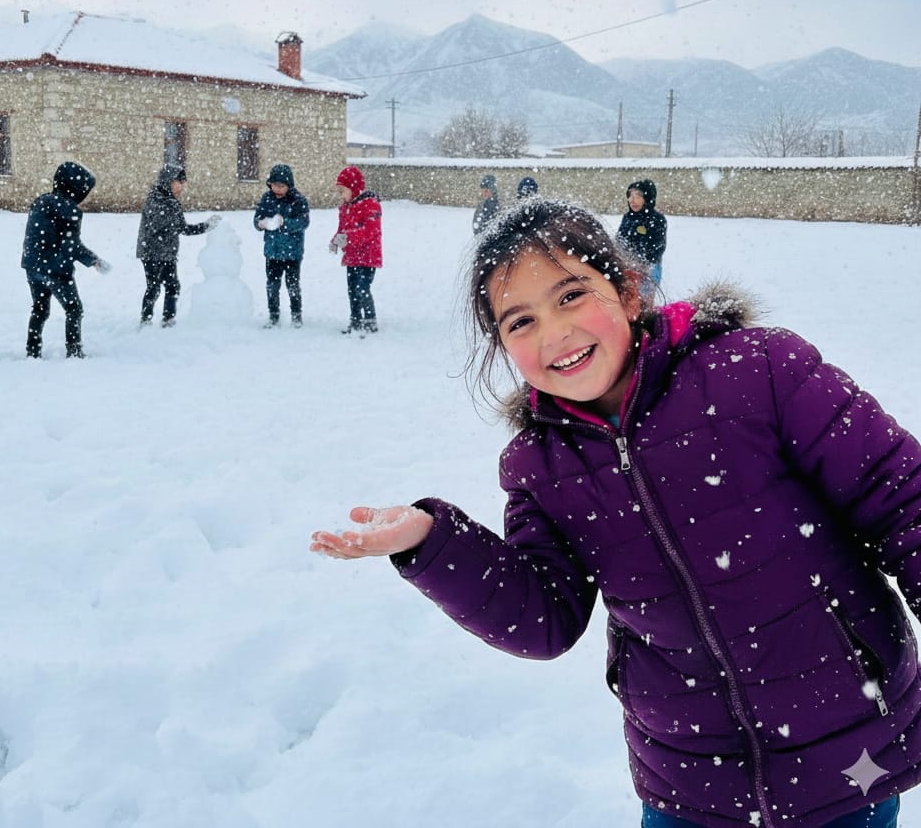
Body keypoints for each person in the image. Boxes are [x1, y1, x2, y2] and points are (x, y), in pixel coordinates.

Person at [312, 197, 921, 828]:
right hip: (688, 775)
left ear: (629, 291)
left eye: (571, 295)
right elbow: (544, 617)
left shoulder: (758, 371)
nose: (554, 333)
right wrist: (432, 543)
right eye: (520, 322)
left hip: (849, 753)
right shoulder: (538, 468)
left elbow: (904, 498)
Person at [21, 161, 110, 359]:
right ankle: (74, 350)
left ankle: (32, 351)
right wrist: (93, 260)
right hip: (56, 270)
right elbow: (72, 246)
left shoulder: (40, 202)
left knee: (40, 308)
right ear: (74, 188)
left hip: (32, 267)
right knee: (74, 309)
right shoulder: (70, 211)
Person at [136, 164, 220, 327]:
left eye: (183, 183)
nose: (182, 186)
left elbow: (182, 228)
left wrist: (206, 226)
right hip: (151, 252)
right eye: (178, 182)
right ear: (167, 182)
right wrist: (204, 226)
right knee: (154, 288)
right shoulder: (156, 200)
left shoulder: (173, 202)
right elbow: (174, 227)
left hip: (167, 252)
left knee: (173, 286)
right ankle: (145, 320)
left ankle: (169, 319)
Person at [253, 163, 310, 328]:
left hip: (292, 252)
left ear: (288, 186)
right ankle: (273, 315)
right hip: (272, 251)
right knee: (272, 285)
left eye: (281, 186)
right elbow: (257, 218)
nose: (277, 189)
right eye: (274, 185)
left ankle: (296, 315)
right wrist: (260, 223)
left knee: (292, 285)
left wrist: (285, 223)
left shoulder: (298, 200)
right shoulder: (266, 198)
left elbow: (304, 222)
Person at [329, 165, 382, 335]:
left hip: (367, 256)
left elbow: (370, 231)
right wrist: (336, 241)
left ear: (354, 188)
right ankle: (355, 319)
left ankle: (370, 320)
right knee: (352, 289)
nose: (341, 195)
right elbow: (342, 229)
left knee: (363, 288)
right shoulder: (345, 208)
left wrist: (349, 238)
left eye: (343, 191)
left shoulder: (370, 205)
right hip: (351, 256)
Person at [618, 178, 667, 285]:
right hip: (626, 267)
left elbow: (658, 248)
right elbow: (619, 241)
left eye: (638, 196)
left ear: (647, 198)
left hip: (648, 269)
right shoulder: (627, 217)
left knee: (644, 300)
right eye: (630, 196)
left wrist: (641, 265)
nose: (632, 200)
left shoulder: (657, 219)